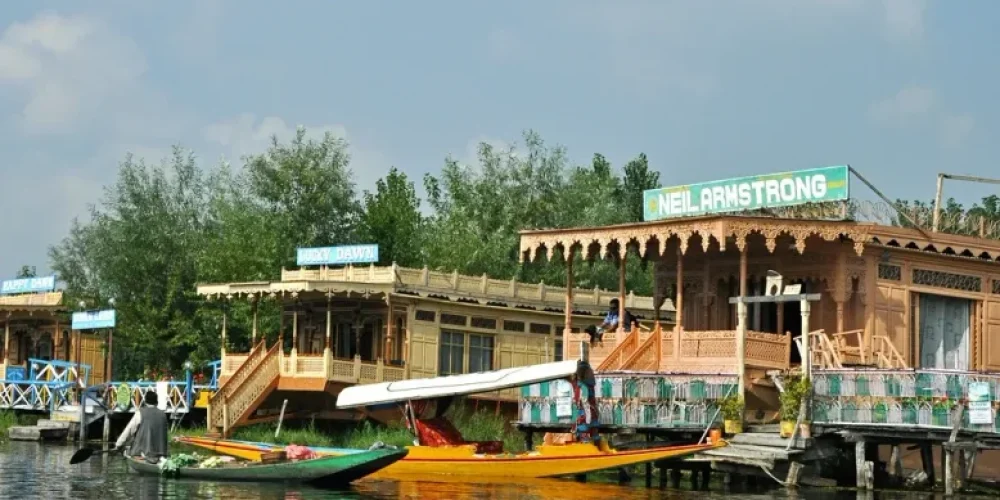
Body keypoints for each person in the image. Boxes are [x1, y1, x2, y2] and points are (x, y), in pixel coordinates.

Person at [115, 390, 169, 462]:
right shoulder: (163, 414)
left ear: (145, 402)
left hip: (143, 453)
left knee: (127, 449)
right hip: (162, 454)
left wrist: (118, 444)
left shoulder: (140, 413)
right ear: (157, 402)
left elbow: (129, 430)